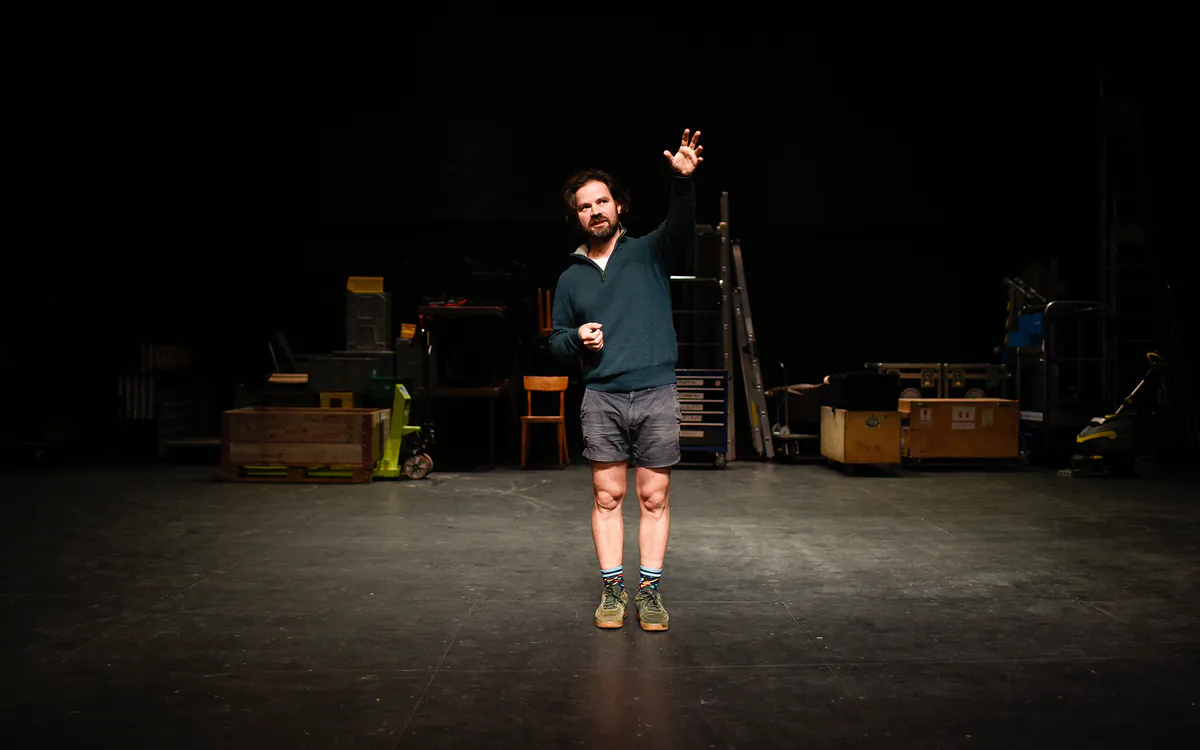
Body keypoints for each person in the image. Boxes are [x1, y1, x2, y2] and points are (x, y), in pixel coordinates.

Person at [548, 128, 704, 631]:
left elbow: (680, 229)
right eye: (585, 206)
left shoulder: (649, 252)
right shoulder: (570, 278)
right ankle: (613, 592)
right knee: (607, 497)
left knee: (654, 498)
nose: (595, 211)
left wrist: (682, 181)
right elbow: (554, 340)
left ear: (619, 207)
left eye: (603, 201)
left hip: (656, 391)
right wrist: (577, 339)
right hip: (602, 397)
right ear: (576, 216)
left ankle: (650, 594)